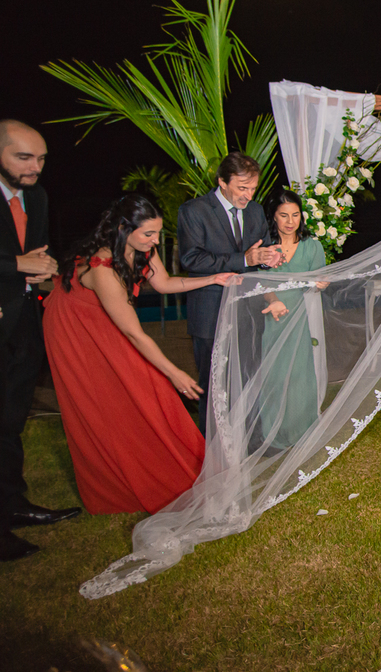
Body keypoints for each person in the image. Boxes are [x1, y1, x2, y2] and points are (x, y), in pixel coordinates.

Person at [43, 195, 236, 513]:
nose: (155, 241)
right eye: (148, 234)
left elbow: (163, 283)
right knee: (110, 397)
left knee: (143, 388)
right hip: (75, 328)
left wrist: (212, 279)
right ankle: (117, 481)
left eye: (157, 233)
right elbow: (134, 332)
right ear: (122, 229)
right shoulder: (102, 266)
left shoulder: (146, 249)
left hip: (105, 318)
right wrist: (173, 372)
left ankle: (172, 463)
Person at [0, 120, 79, 561]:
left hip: (24, 325)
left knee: (10, 422)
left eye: (42, 158)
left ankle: (13, 505)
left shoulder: (38, 196)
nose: (35, 167)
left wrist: (45, 267)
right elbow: (16, 259)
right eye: (23, 157)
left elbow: (38, 251)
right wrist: (18, 263)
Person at [177, 152, 283, 435]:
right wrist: (244, 260)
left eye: (253, 189)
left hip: (249, 311)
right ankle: (211, 447)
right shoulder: (194, 211)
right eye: (241, 188)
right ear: (222, 182)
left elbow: (264, 249)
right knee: (214, 384)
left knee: (249, 379)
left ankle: (252, 442)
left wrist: (271, 256)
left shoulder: (256, 211)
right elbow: (191, 259)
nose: (248, 196)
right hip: (210, 312)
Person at [258, 190, 328, 451]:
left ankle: (303, 431)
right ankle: (273, 432)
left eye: (295, 215)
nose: (290, 221)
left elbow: (320, 281)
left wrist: (321, 283)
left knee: (301, 374)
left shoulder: (312, 246)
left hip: (302, 314)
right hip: (273, 315)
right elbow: (262, 282)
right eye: (284, 215)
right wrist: (273, 300)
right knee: (274, 374)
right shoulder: (265, 246)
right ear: (273, 217)